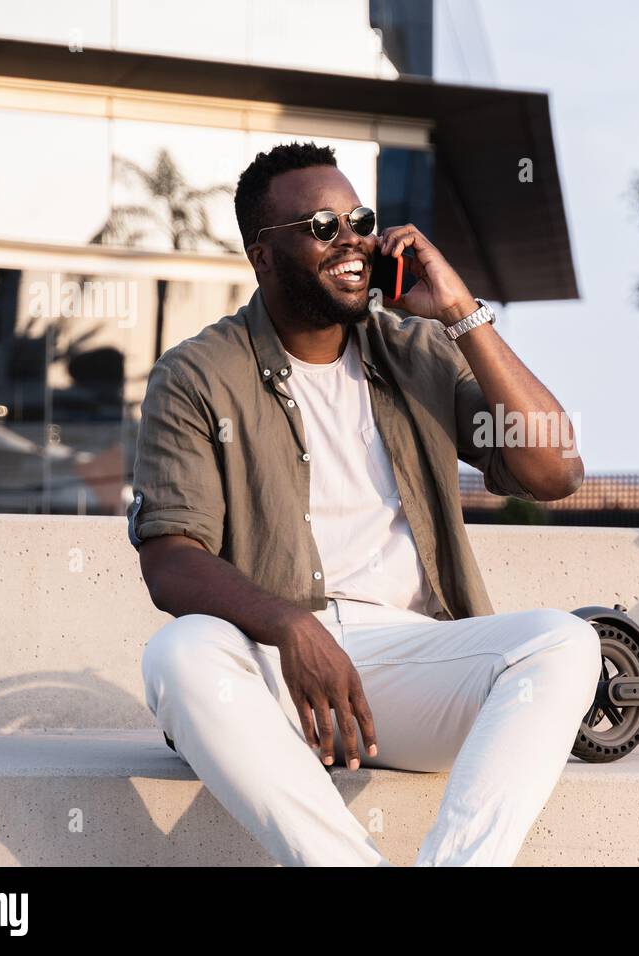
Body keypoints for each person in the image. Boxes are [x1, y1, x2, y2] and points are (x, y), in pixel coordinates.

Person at [127, 141, 601, 866]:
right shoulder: (196, 374)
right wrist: (289, 625)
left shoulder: (416, 352)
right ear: (263, 255)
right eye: (322, 227)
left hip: (409, 661)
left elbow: (555, 469)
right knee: (180, 653)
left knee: (565, 642)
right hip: (274, 668)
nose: (351, 240)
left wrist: (461, 312)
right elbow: (170, 560)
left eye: (360, 220)